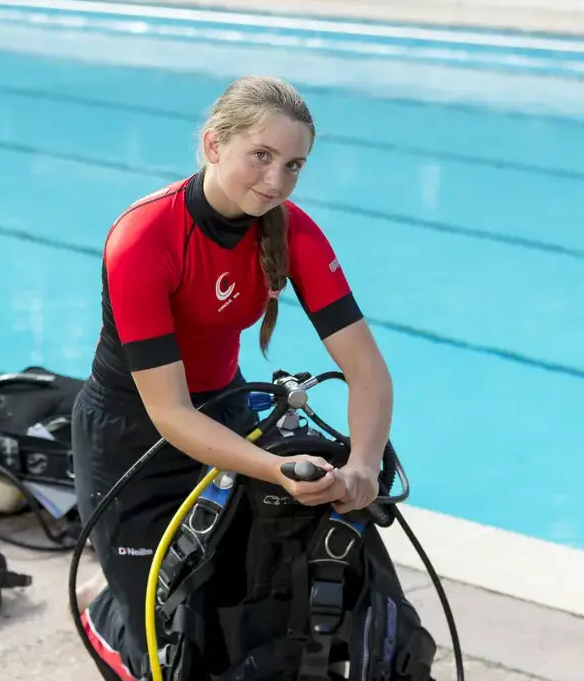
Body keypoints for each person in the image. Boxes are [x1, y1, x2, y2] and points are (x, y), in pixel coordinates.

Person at [71, 75, 395, 681]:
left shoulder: (292, 229)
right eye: (262, 157)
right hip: (131, 440)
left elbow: (367, 371)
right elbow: (169, 414)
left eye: (294, 165)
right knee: (160, 653)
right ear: (214, 145)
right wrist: (275, 469)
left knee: (229, 614)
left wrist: (365, 468)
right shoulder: (143, 238)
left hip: (225, 417)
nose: (277, 181)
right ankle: (105, 608)